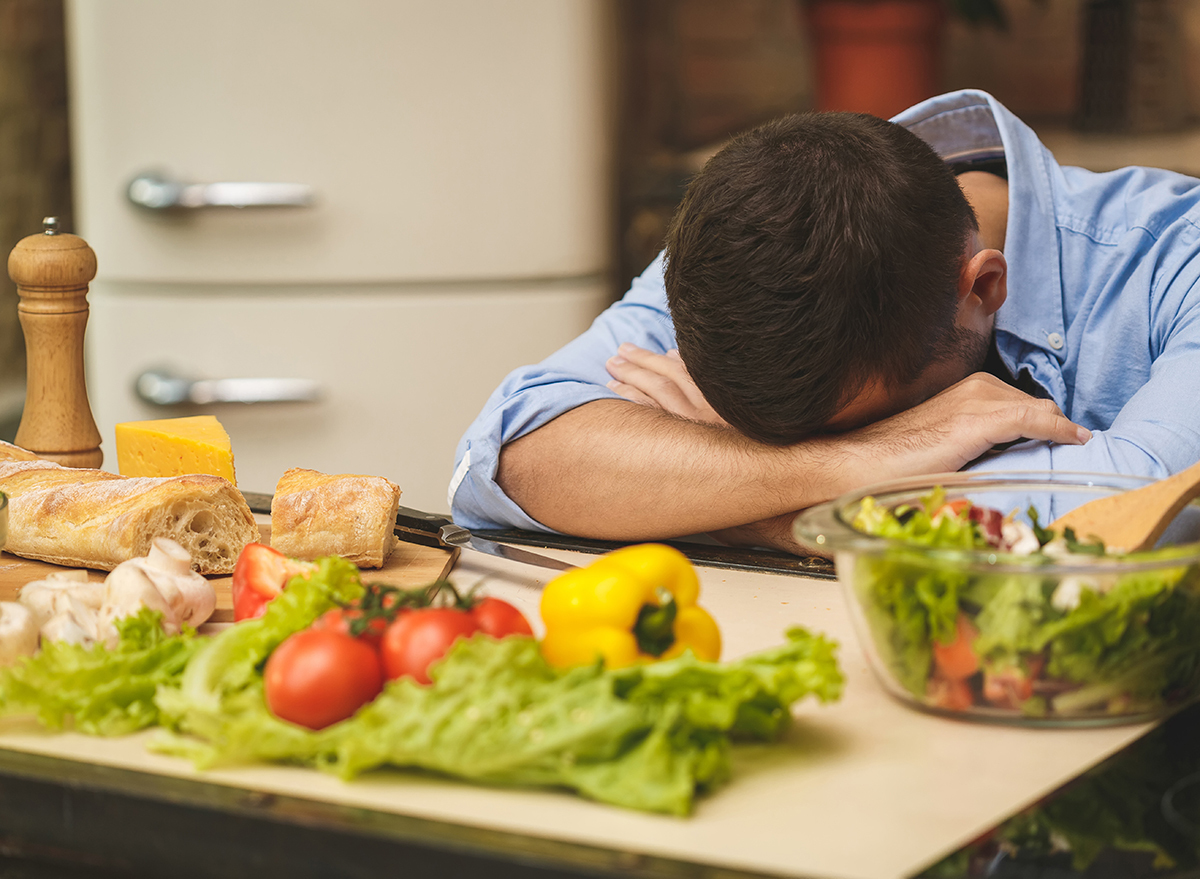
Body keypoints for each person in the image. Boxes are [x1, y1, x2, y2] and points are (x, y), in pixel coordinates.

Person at [448, 89, 1200, 553]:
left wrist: (714, 489)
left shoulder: (1178, 258)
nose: (879, 448)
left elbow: (1145, 513)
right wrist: (861, 460)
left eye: (874, 420)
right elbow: (506, 455)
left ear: (985, 287)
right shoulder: (758, 237)